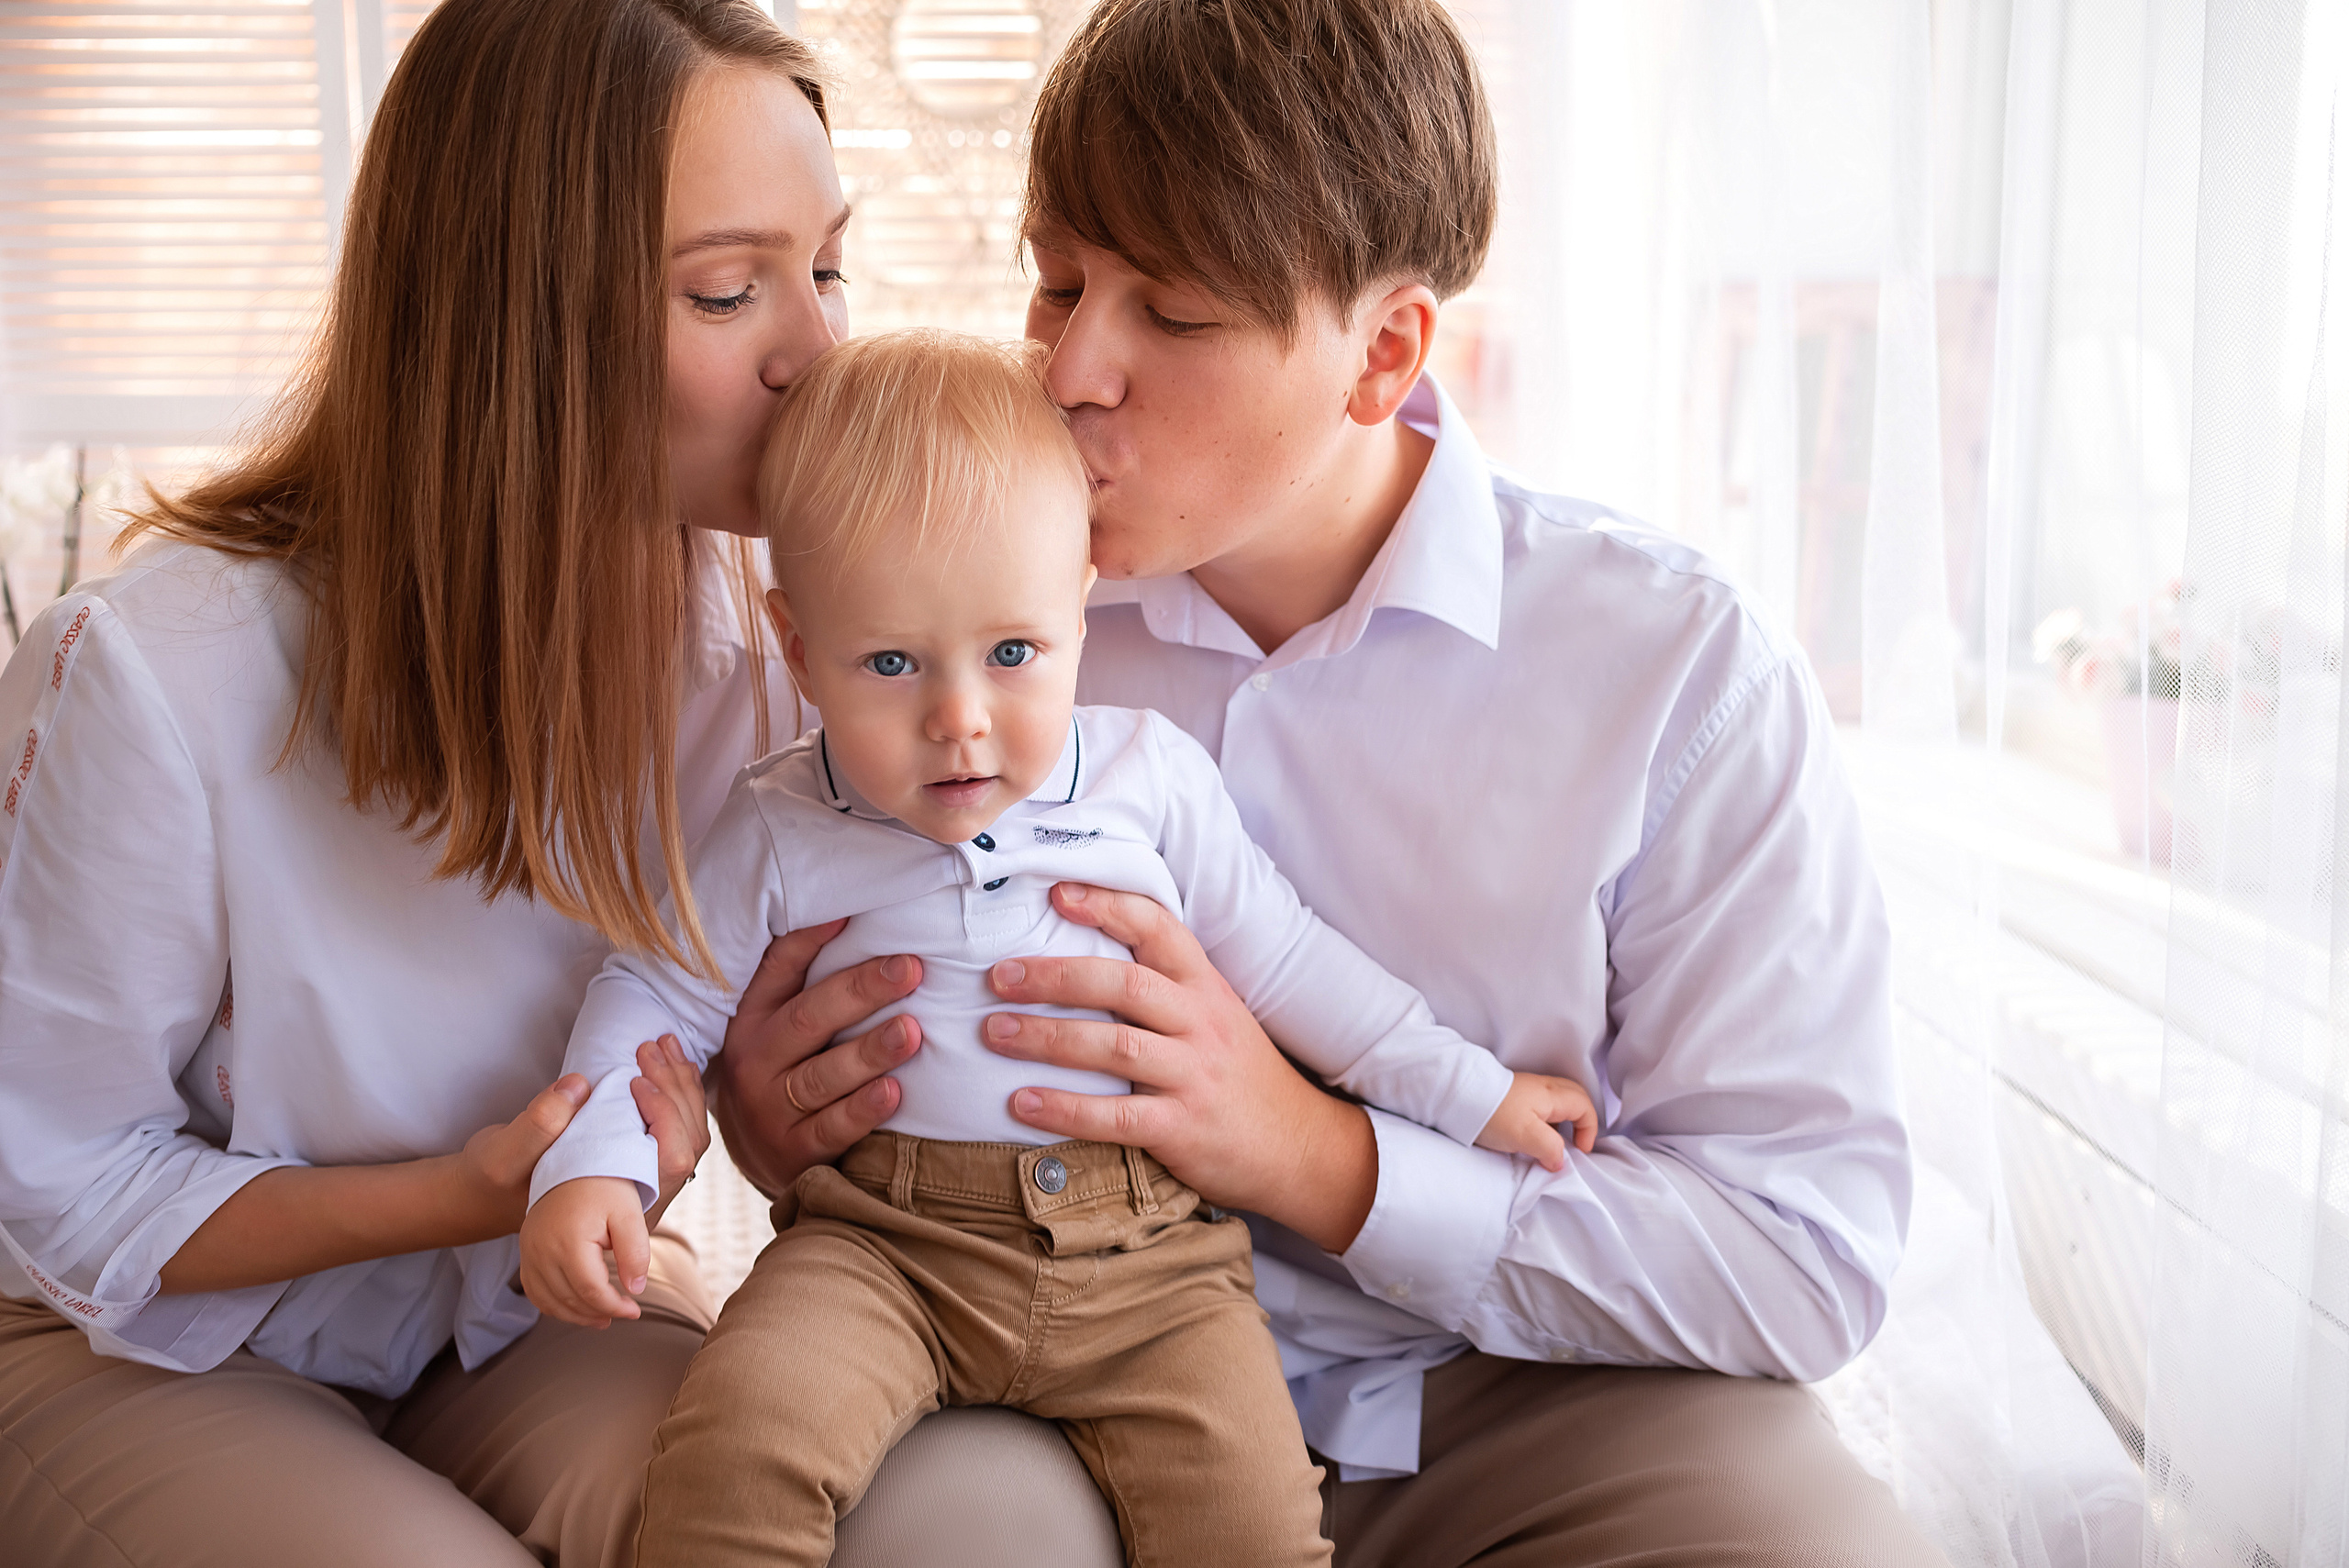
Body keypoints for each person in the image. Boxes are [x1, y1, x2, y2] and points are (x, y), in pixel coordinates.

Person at [711, 2, 1951, 1563]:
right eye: (1060, 279)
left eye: (1172, 312)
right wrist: (766, 1114)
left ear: (1384, 352)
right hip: (1031, 1350)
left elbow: (1800, 1256)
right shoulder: (951, 624)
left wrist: (1319, 1156)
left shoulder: (1680, 675)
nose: (1073, 365)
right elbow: (748, 940)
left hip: (1526, 1384)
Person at [0, 1, 874, 1562]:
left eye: (826, 270)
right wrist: (473, 1189)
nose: (817, 349)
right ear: (514, 315)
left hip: (522, 1313)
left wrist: (765, 1114)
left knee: (785, 1519)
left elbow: (724, 1035)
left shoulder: (773, 641)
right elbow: (65, 1189)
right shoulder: (157, 676)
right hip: (139, 1338)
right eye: (731, 289)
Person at [518, 328, 1598, 1567]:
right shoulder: (779, 823)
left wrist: (1478, 1093)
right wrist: (592, 1166)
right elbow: (654, 986)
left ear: (1080, 593)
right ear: (800, 644)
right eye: (889, 663)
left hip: (1151, 1267)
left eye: (1013, 653)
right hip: (880, 1249)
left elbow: (1295, 968)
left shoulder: (1150, 781)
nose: (960, 719)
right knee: (737, 1441)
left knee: (1252, 1522)